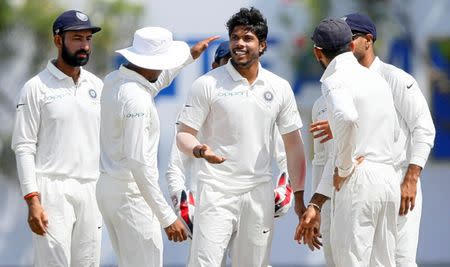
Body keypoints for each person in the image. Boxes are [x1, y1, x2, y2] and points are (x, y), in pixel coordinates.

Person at [176, 7, 307, 266]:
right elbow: (184, 135)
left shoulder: (279, 87)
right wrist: (200, 150)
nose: (239, 44)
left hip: (259, 193)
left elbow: (293, 146)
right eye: (235, 37)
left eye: (247, 38)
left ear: (263, 45)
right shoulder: (207, 84)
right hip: (216, 192)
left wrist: (300, 198)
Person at [96, 26, 218, 267]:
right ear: (148, 63)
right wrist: (167, 217)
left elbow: (152, 82)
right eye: (162, 61)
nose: (163, 67)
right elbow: (139, 163)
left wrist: (188, 57)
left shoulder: (115, 80)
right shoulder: (137, 100)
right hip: (132, 194)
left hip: (110, 190)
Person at [296, 18, 401, 266]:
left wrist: (345, 168)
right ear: (351, 47)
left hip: (358, 181)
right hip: (387, 178)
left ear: (317, 52)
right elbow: (394, 133)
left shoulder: (334, 81)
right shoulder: (378, 80)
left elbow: (348, 119)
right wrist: (317, 202)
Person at [166, 40, 293, 240]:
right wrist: (184, 207)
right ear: (215, 67)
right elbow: (175, 166)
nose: (233, 71)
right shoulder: (196, 104)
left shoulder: (262, 106)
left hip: (253, 205)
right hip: (209, 207)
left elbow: (287, 154)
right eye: (227, 63)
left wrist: (284, 193)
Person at [11, 10, 103, 266]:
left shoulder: (97, 86)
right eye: (76, 38)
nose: (84, 45)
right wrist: (33, 200)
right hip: (52, 191)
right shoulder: (36, 88)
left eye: (88, 38)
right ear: (58, 40)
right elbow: (24, 146)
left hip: (90, 190)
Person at [343, 13, 435, 266]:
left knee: (401, 260)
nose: (344, 44)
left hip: (397, 180)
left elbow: (424, 129)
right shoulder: (342, 83)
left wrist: (411, 179)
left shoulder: (396, 78)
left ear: (368, 40)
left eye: (350, 37)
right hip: (359, 185)